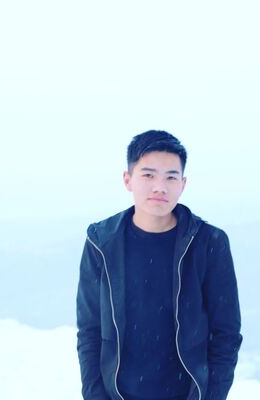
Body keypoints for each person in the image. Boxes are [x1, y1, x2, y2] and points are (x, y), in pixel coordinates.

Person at [76, 130, 242, 400]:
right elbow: (90, 330)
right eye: (148, 175)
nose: (159, 187)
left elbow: (226, 333)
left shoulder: (208, 242)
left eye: (171, 177)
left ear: (183, 184)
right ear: (128, 180)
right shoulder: (101, 242)